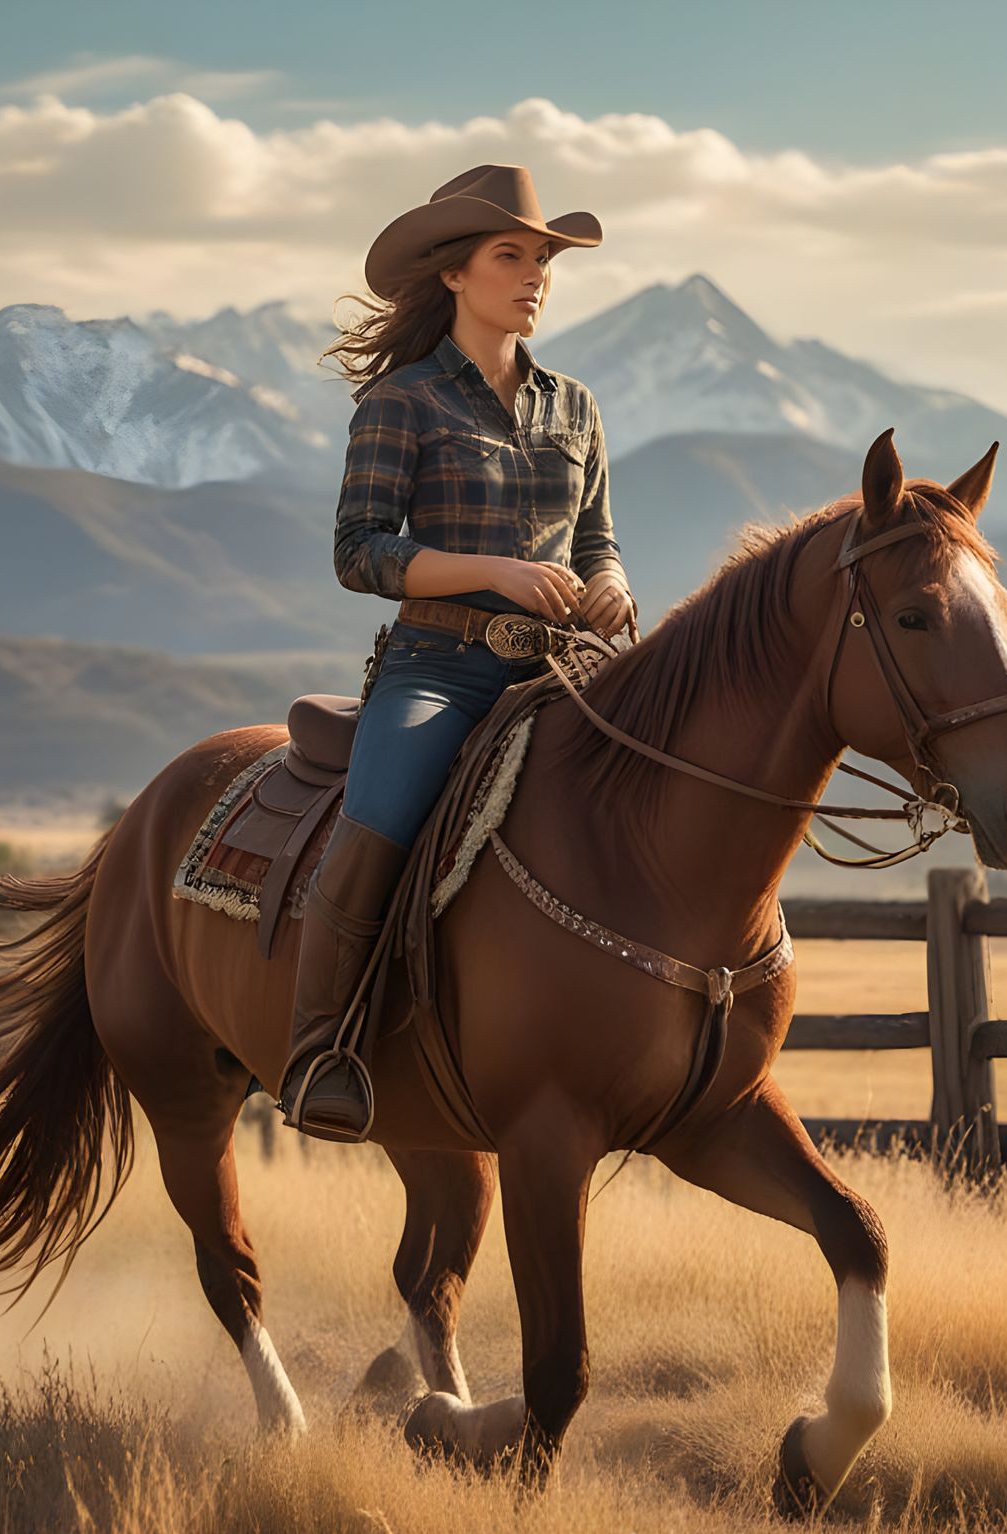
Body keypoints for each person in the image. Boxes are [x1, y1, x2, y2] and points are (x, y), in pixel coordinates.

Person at [277, 163, 639, 1142]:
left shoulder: (577, 407)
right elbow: (360, 553)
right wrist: (493, 570)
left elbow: (597, 536)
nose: (534, 276)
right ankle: (322, 1049)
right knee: (384, 814)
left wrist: (611, 587)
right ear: (453, 274)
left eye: (542, 260)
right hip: (441, 670)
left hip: (563, 670)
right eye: (510, 256)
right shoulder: (401, 402)